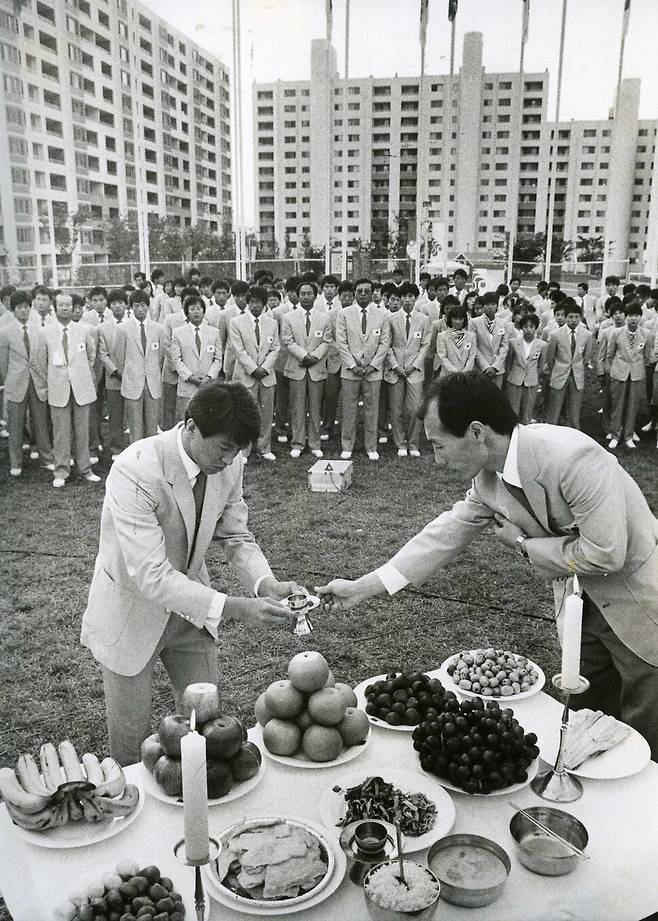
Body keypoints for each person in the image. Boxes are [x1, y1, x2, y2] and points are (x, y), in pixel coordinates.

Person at [317, 370, 658, 759]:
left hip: (641, 608)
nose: (436, 461)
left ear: (477, 432)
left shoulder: (572, 458)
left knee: (645, 742)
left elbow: (606, 553)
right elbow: (442, 536)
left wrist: (524, 544)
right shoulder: (488, 481)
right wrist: (362, 587)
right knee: (584, 735)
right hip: (581, 615)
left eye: (439, 446)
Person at [81, 381, 301, 764]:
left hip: (192, 615)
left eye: (238, 450)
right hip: (130, 613)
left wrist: (265, 583)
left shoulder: (229, 464)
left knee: (210, 729)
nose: (230, 460)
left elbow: (236, 534)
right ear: (191, 426)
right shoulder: (134, 469)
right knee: (133, 748)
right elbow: (151, 576)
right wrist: (235, 607)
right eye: (224, 448)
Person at [35, 292, 100, 488]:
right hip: (58, 388)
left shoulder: (83, 330)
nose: (64, 308)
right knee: (61, 431)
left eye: (68, 305)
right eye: (61, 305)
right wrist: (46, 387)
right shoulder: (45, 332)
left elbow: (91, 355)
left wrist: (80, 373)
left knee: (82, 430)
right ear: (55, 308)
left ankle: (85, 469)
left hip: (81, 388)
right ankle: (61, 470)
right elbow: (39, 362)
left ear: (73, 308)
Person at [336, 278, 390, 461]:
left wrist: (372, 365)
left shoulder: (382, 315)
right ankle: (347, 445)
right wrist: (353, 365)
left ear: (373, 293)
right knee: (349, 410)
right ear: (354, 293)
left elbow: (384, 343)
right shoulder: (344, 314)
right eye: (360, 291)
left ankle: (371, 446)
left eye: (367, 291)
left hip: (373, 371)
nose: (363, 295)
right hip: (350, 371)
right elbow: (341, 343)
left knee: (372, 410)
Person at [0, 289, 53, 476]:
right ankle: (16, 462)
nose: (23, 311)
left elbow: (41, 358)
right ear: (12, 309)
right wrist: (9, 382)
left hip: (37, 383)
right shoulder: (5, 332)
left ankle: (46, 458)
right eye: (19, 308)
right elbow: (4, 364)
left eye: (26, 307)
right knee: (15, 424)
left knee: (41, 422)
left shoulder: (39, 330)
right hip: (16, 383)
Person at [229, 286, 279, 461]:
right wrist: (253, 369)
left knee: (266, 412)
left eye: (258, 302)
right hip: (246, 375)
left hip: (266, 375)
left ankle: (265, 447)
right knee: (246, 413)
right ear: (247, 302)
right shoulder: (236, 322)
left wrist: (264, 368)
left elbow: (275, 348)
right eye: (252, 302)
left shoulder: (272, 323)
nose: (255, 305)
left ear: (265, 304)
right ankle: (244, 450)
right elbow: (239, 350)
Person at [282, 281, 332, 459]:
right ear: (297, 295)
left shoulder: (324, 318)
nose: (305, 297)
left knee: (316, 407)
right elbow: (288, 341)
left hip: (316, 369)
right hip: (297, 367)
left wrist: (315, 358)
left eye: (309, 293)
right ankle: (297, 442)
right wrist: (304, 356)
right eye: (302, 293)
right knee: (297, 407)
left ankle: (315, 443)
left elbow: (327, 341)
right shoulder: (288, 317)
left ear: (315, 295)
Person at [114, 289, 166, 443]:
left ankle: (150, 460)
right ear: (131, 308)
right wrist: (130, 375)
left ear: (148, 307)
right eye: (137, 306)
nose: (141, 309)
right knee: (135, 427)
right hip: (132, 384)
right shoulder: (123, 329)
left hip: (152, 384)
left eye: (143, 305)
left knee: (152, 427)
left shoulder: (158, 329)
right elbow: (119, 358)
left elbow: (161, 356)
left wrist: (152, 374)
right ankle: (136, 461)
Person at [384, 284, 430, 458]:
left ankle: (413, 442)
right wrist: (395, 366)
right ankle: (400, 442)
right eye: (405, 296)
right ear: (399, 298)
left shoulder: (423, 320)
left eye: (412, 296)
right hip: (395, 370)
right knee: (396, 410)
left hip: (414, 371)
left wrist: (413, 366)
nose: (408, 300)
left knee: (415, 408)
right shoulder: (391, 318)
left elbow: (425, 345)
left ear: (416, 298)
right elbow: (386, 345)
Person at [606, 301, 652, 451]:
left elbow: (646, 357)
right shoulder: (616, 333)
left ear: (640, 317)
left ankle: (628, 435)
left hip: (636, 374)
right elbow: (610, 354)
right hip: (619, 373)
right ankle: (615, 435)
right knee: (617, 405)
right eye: (630, 315)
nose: (633, 319)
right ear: (626, 317)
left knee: (633, 406)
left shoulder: (646, 334)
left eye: (636, 315)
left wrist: (635, 367)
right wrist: (619, 367)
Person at [170, 294, 222, 421]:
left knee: (208, 421)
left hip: (208, 385)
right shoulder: (178, 333)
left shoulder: (214, 332)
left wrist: (209, 377)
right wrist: (190, 377)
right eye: (192, 309)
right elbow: (176, 360)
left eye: (199, 308)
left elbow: (218, 359)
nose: (196, 312)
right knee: (187, 421)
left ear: (204, 311)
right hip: (187, 386)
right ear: (187, 312)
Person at [544, 299, 593, 430]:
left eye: (577, 317)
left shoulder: (587, 335)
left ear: (581, 318)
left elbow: (586, 356)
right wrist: (556, 370)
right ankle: (550, 432)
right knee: (554, 408)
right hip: (559, 374)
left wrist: (578, 367)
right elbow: (550, 357)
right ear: (565, 318)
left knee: (574, 410)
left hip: (576, 375)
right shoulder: (555, 335)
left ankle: (574, 433)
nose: (573, 320)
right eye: (570, 317)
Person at [98, 289, 128, 460]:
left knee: (134, 413)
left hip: (132, 377)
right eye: (114, 303)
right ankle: (116, 447)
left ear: (126, 304)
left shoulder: (132, 324)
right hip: (114, 378)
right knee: (115, 414)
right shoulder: (103, 328)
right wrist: (115, 371)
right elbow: (103, 353)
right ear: (110, 307)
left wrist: (129, 372)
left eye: (120, 302)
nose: (117, 306)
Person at [504, 313, 547, 425]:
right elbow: (508, 362)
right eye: (525, 327)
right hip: (515, 380)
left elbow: (540, 365)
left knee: (527, 411)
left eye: (531, 327)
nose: (528, 330)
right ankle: (512, 432)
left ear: (535, 328)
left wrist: (534, 376)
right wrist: (511, 376)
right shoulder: (513, 342)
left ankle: (525, 431)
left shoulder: (542, 345)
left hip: (531, 381)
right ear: (522, 328)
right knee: (513, 410)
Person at [471, 291, 509, 388]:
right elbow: (474, 347)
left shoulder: (503, 324)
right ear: (483, 306)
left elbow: (504, 347)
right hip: (480, 369)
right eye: (487, 304)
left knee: (495, 399)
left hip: (498, 369)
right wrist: (486, 366)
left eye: (493, 304)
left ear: (497, 306)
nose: (490, 307)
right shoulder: (474, 322)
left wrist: (495, 366)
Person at [435, 303, 477, 375]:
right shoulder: (442, 336)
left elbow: (471, 357)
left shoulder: (471, 336)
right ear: (450, 319)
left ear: (465, 320)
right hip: (447, 376)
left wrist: (464, 373)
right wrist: (456, 373)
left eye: (460, 319)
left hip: (466, 376)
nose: (458, 322)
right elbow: (442, 357)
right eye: (455, 319)